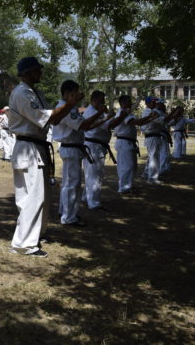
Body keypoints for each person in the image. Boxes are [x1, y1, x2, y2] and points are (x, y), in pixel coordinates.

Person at [8, 57, 83, 257]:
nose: (40, 73)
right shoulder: (22, 93)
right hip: (28, 147)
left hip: (37, 146)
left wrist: (68, 106)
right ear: (26, 72)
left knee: (42, 196)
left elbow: (52, 117)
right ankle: (24, 244)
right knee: (32, 196)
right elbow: (47, 118)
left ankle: (36, 235)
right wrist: (69, 104)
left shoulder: (35, 92)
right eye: (36, 70)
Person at [52, 80, 104, 226]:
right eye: (76, 92)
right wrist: (99, 113)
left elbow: (84, 125)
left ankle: (65, 211)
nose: (78, 95)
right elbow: (83, 125)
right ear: (68, 93)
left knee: (69, 183)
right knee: (72, 184)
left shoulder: (69, 108)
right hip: (70, 148)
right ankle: (69, 217)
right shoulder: (65, 108)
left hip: (73, 147)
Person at [82, 91, 118, 210]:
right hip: (93, 146)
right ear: (96, 100)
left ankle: (86, 197)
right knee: (95, 175)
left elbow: (108, 124)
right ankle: (94, 202)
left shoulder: (96, 112)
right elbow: (106, 126)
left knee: (92, 173)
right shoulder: (91, 112)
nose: (103, 103)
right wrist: (111, 116)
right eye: (102, 100)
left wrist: (109, 116)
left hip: (96, 146)